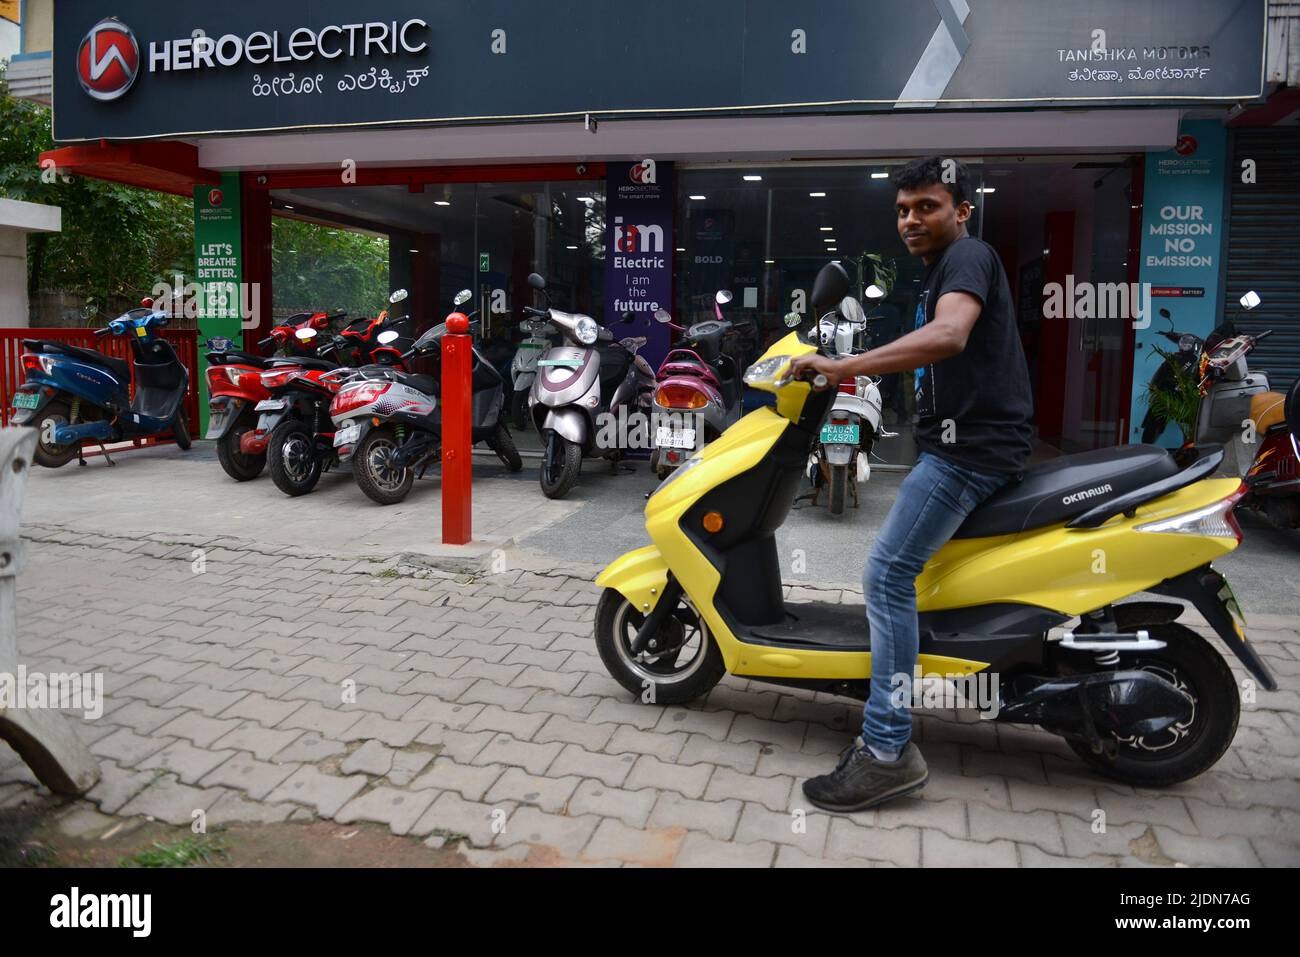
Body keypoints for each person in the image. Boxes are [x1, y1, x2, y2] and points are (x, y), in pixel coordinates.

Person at [789, 156, 1034, 812]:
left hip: (968, 456)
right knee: (903, 572)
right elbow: (936, 339)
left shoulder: (969, 257)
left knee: (887, 574)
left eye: (927, 205)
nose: (911, 219)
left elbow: (950, 336)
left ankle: (888, 748)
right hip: (967, 447)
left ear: (961, 210)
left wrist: (844, 366)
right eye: (902, 209)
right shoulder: (940, 272)